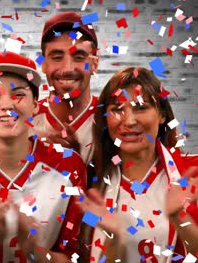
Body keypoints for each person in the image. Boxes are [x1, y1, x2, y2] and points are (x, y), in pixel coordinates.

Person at [0, 51, 87, 262]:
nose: (7, 105)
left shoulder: (68, 164)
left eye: (19, 94)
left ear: (35, 106)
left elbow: (75, 257)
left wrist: (35, 251)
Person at [78, 67, 198, 262]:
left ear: (162, 115)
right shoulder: (89, 183)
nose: (129, 121)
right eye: (117, 110)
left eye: (141, 107)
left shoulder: (192, 172)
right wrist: (114, 242)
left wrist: (179, 217)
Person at [32, 11, 99, 164]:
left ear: (95, 63)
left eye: (79, 57)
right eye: (57, 57)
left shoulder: (113, 120)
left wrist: (76, 161)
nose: (67, 68)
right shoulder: (25, 122)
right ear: (43, 64)